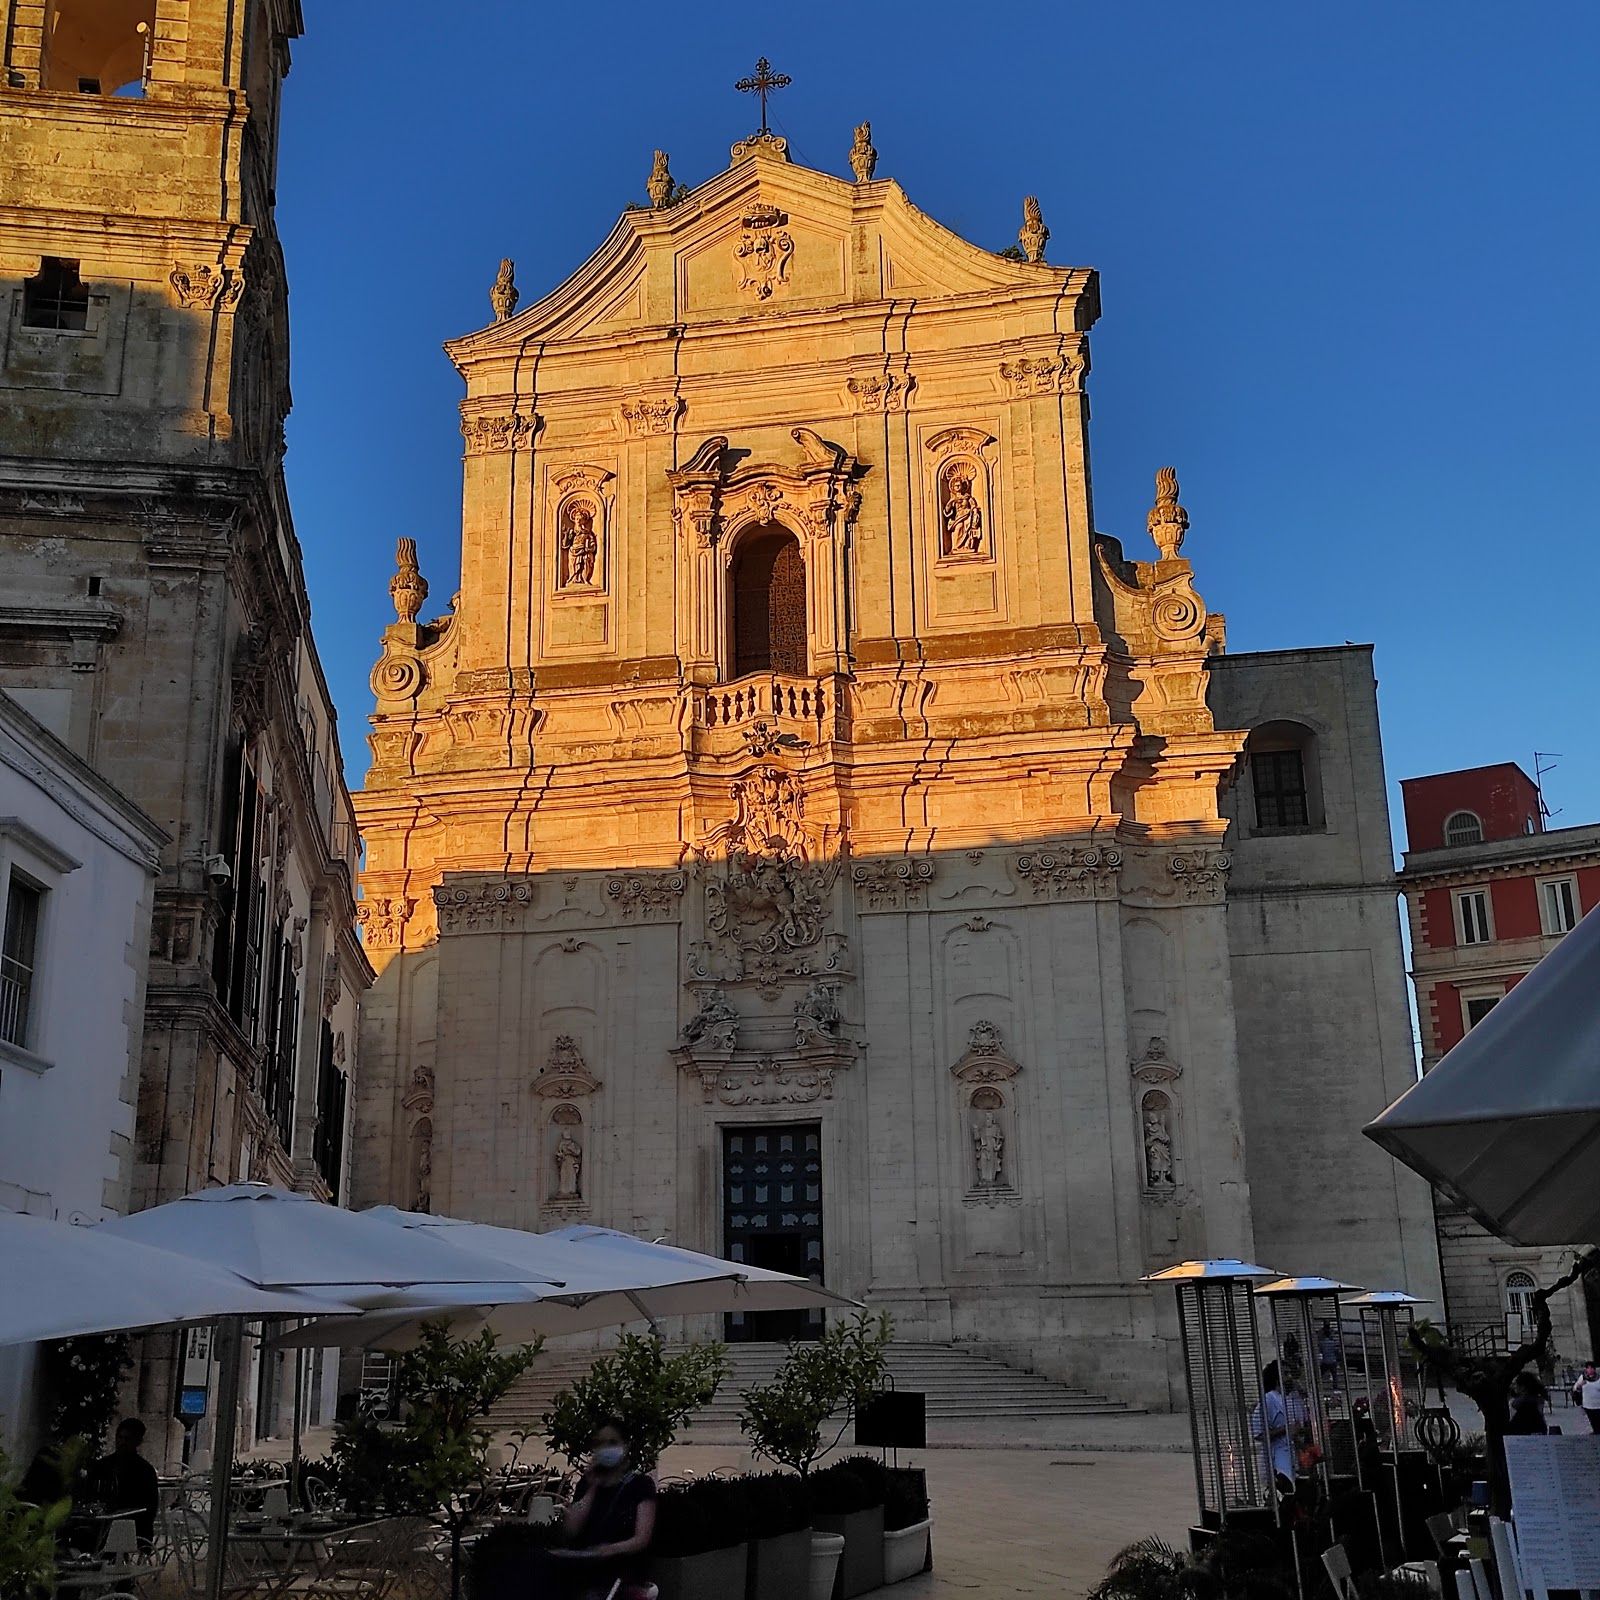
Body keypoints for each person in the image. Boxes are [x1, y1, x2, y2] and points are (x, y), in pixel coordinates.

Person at [550, 1417, 656, 1597]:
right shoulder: (588, 1484)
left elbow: (642, 1538)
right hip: (586, 1571)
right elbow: (571, 1529)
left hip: (621, 1574)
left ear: (625, 1446)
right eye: (600, 1444)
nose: (605, 1448)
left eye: (612, 1442)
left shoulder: (640, 1485)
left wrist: (611, 1549)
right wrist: (592, 1487)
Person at [89, 1419, 159, 1546]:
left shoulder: (144, 1471)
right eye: (120, 1438)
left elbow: (150, 1508)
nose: (122, 1443)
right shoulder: (103, 1465)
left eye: (127, 1439)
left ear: (137, 1442)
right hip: (101, 1522)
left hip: (132, 1525)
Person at [1250, 1362, 1296, 1497]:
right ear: (1277, 1378)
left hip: (1291, 1458)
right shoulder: (1268, 1400)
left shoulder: (1289, 1399)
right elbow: (1258, 1434)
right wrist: (1284, 1429)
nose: (1290, 1377)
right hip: (1275, 1463)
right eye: (1286, 1374)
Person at [1507, 1371, 1549, 1435]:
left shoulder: (1519, 1402)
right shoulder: (1538, 1399)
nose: (1514, 1386)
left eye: (1516, 1384)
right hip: (1539, 1430)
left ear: (1523, 1387)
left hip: (1521, 1433)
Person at [1572, 1361, 1600, 1433]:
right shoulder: (1583, 1377)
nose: (1589, 1370)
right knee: (1592, 1421)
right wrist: (1580, 1385)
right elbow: (1575, 1388)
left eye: (1591, 1368)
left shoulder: (1598, 1378)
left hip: (1598, 1404)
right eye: (1588, 1368)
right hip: (1588, 1404)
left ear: (1594, 1369)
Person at [1318, 1320, 1340, 1390]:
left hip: (1325, 1360)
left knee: (1321, 1373)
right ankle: (1335, 1387)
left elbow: (1320, 1351)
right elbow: (1336, 1351)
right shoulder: (1333, 1343)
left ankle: (1318, 1384)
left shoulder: (1322, 1343)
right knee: (1334, 1375)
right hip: (1333, 1360)